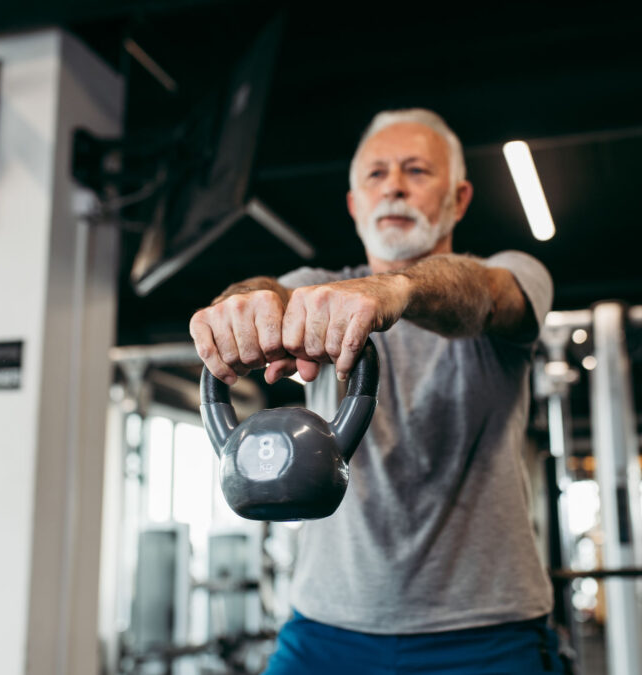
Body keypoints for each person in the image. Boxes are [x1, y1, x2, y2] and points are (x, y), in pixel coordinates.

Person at [190, 109, 561, 674]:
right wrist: (242, 305)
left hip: (486, 632)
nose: (394, 185)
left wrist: (398, 289)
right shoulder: (314, 292)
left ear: (458, 200)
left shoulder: (514, 274)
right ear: (355, 205)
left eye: (416, 171)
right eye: (376, 175)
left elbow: (485, 296)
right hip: (324, 628)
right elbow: (264, 291)